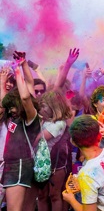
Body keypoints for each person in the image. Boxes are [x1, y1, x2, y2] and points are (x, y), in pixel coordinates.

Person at [1, 53, 41, 211]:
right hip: (11, 165)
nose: (10, 109)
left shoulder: (31, 118)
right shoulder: (13, 116)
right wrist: (3, 81)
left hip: (19, 166)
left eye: (13, 105)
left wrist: (18, 69)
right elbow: (4, 101)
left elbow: (25, 97)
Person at [36, 90, 72, 211]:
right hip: (40, 164)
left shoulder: (59, 123)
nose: (41, 109)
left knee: (54, 196)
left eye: (44, 106)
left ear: (54, 107)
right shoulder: (45, 121)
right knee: (41, 196)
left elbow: (38, 140)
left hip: (55, 166)